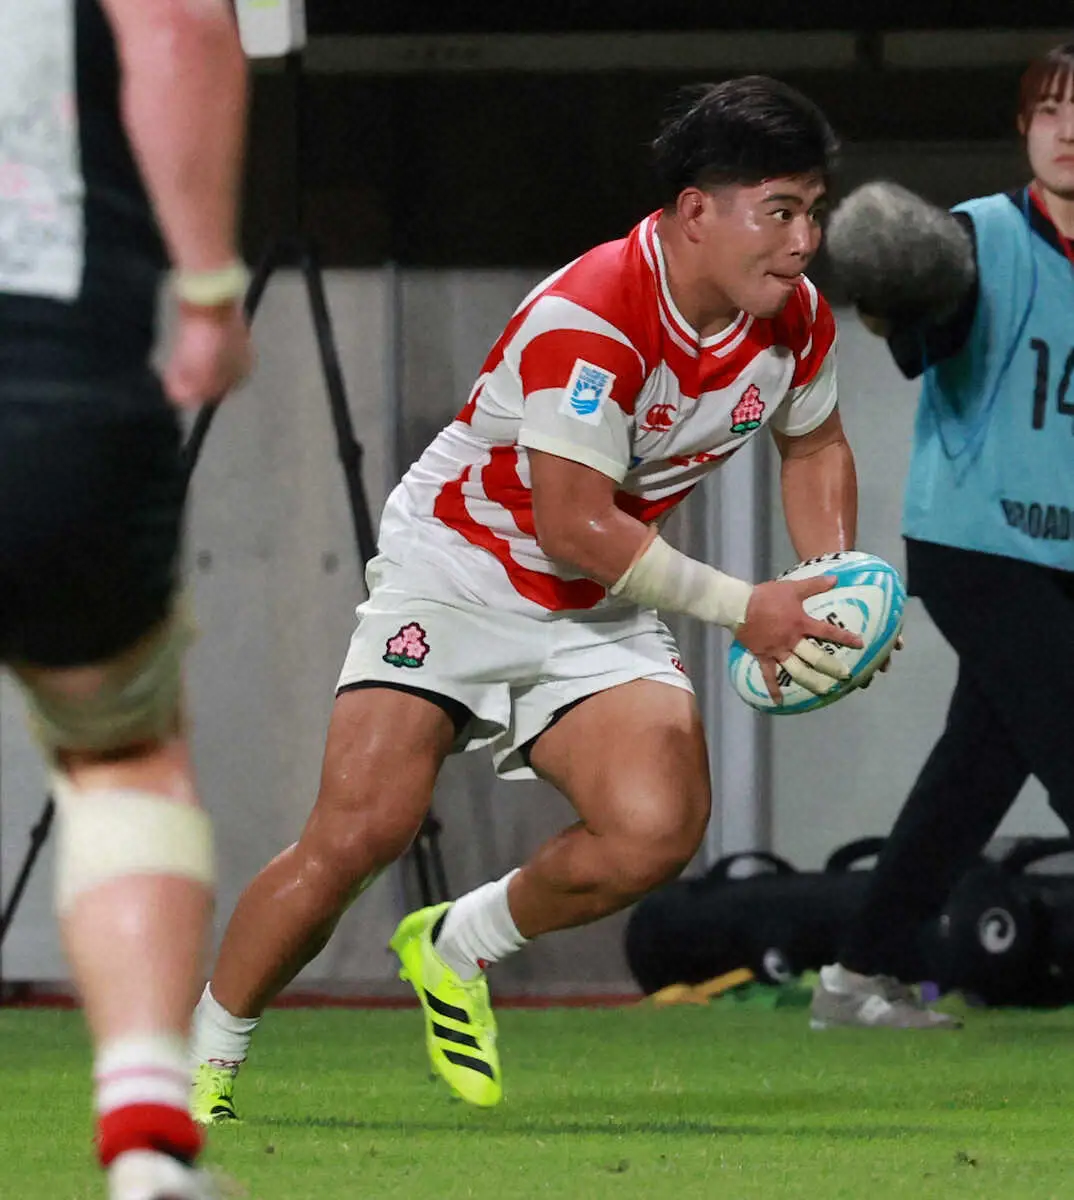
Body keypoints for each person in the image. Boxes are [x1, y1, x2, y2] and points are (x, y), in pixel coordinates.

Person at [191, 74, 864, 1120]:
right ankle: (200, 1065)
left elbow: (814, 443)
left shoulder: (795, 322)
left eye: (813, 212)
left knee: (656, 828)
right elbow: (572, 524)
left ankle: (456, 942)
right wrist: (750, 610)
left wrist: (831, 589)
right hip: (459, 569)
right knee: (361, 831)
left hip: (597, 598)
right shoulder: (591, 315)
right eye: (779, 212)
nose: (804, 241)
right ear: (696, 210)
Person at [0, 1, 250, 1195]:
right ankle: (147, 1144)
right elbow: (181, 27)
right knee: (120, 758)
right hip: (49, 397)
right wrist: (210, 295)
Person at [811, 42, 1074, 1030]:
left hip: (1066, 554)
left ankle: (856, 978)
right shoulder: (976, 236)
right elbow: (925, 343)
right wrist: (897, 298)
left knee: (974, 775)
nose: (1068, 131)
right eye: (1050, 111)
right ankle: (859, 977)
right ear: (1023, 128)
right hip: (982, 547)